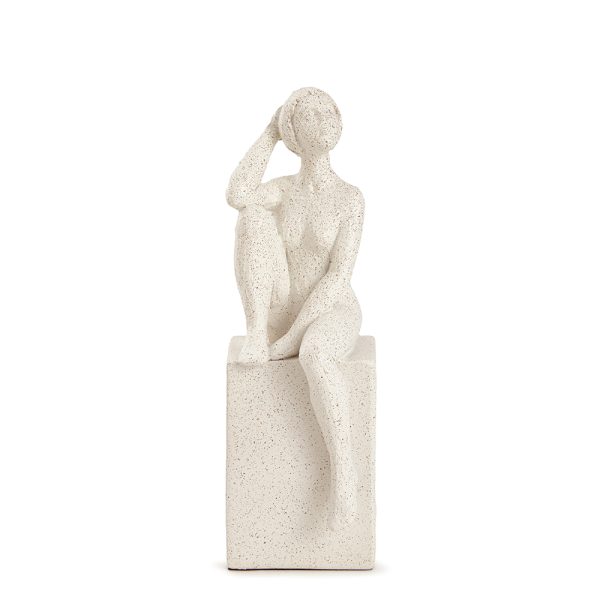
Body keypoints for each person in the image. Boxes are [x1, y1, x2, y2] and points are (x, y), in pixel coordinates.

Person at [227, 87, 364, 530]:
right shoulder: (284, 190)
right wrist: (270, 133)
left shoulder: (350, 199)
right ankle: (254, 331)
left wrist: (291, 340)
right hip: (285, 304)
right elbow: (237, 193)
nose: (323, 119)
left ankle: (344, 480)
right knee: (251, 216)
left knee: (316, 353)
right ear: (293, 132)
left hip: (332, 308)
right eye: (309, 115)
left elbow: (338, 276)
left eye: (329, 111)